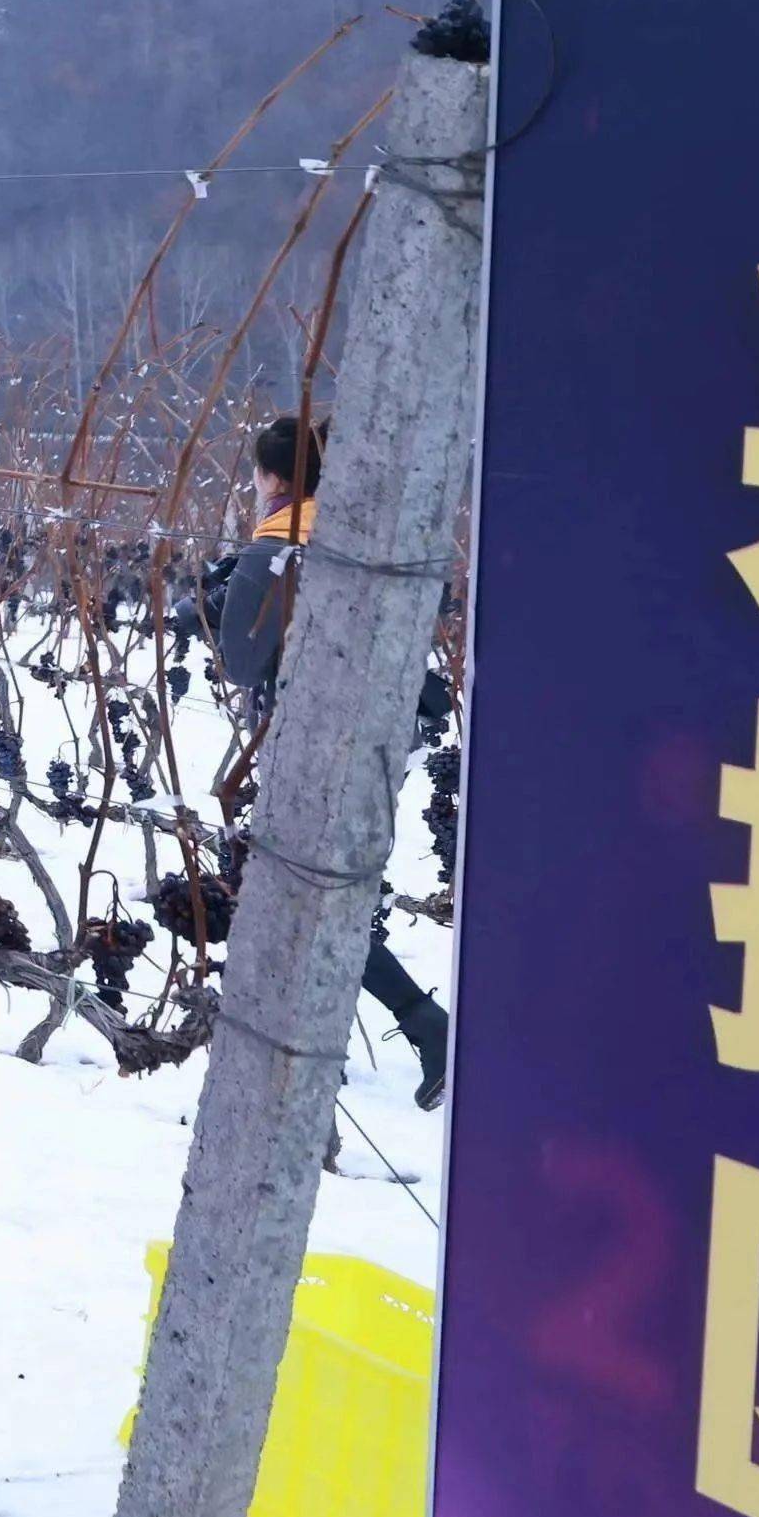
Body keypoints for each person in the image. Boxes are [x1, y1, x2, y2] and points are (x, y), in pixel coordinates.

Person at [190, 414, 454, 1104]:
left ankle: (414, 1027)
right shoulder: (362, 537)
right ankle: (398, 1029)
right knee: (319, 894)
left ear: (274, 477)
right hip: (378, 738)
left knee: (300, 895)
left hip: (307, 746)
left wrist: (219, 606)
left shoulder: (272, 549)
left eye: (256, 473)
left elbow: (247, 663)